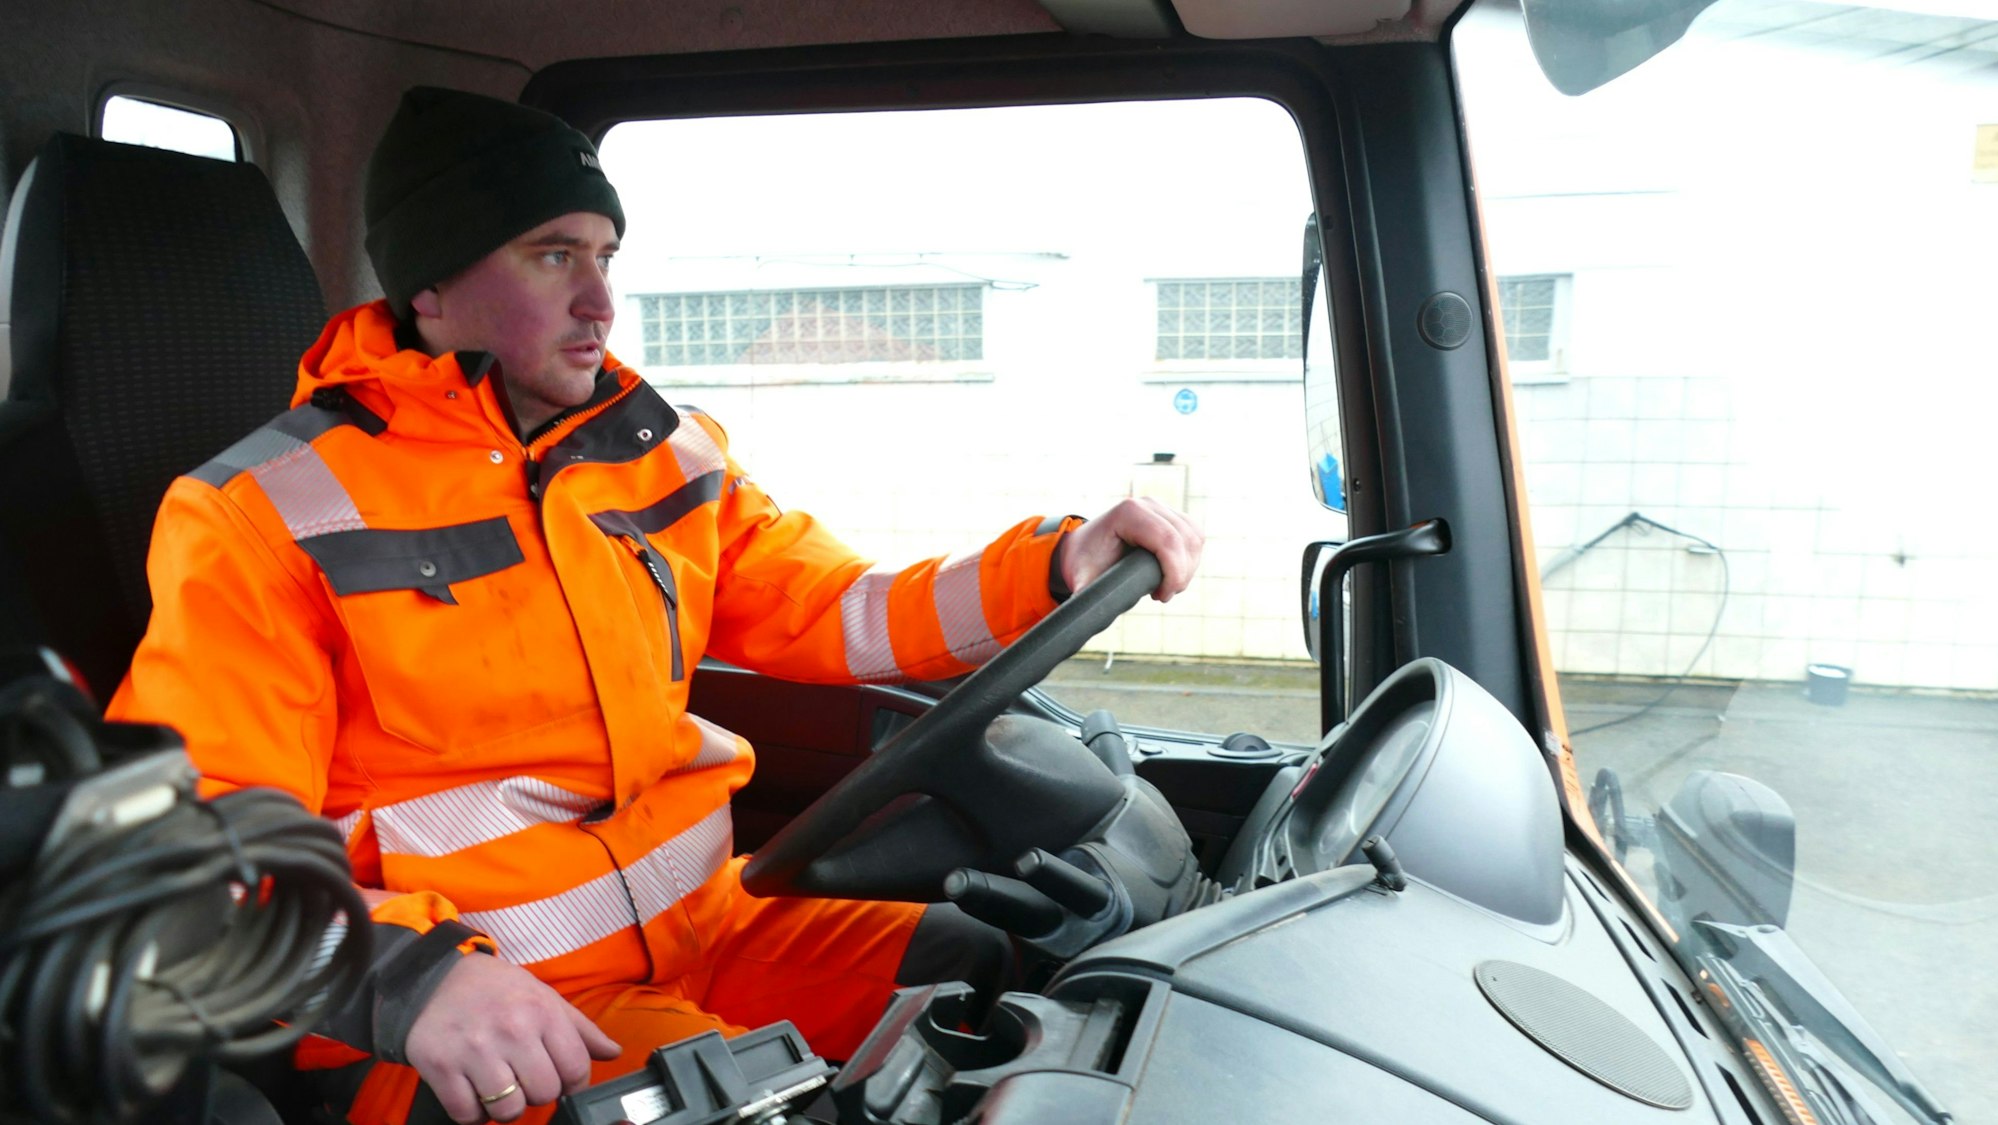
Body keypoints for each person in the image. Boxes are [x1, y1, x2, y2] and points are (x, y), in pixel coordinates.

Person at [109, 87, 1202, 1125]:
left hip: (714, 927)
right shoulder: (261, 515)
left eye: (604, 255)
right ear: (430, 291)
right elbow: (192, 847)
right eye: (552, 256)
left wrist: (1055, 568)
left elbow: (839, 608)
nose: (600, 300)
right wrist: (405, 980)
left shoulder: (656, 452)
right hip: (488, 1014)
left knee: (1004, 988)